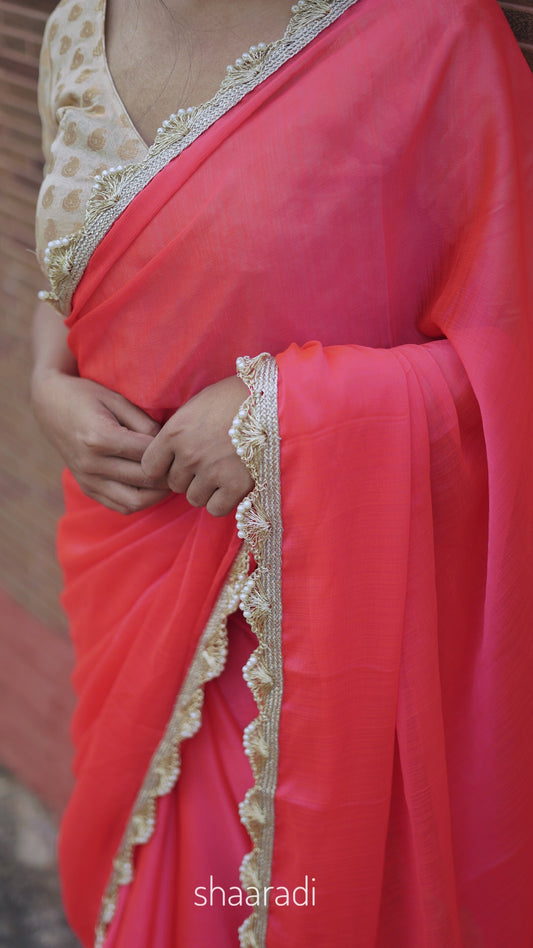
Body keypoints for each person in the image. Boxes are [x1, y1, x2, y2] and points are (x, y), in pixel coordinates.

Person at [31, 0, 533, 945]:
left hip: (317, 629)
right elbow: (77, 254)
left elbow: (514, 356)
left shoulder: (431, 36)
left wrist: (283, 417)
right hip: (129, 567)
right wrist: (44, 379)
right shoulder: (72, 25)